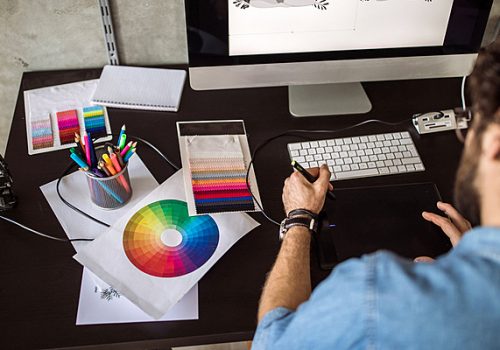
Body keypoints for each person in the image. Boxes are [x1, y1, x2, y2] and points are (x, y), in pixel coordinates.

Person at [252, 38, 500, 349]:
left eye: (468, 128)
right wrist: (472, 259)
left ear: (493, 144)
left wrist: (300, 218)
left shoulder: (378, 296)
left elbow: (272, 340)